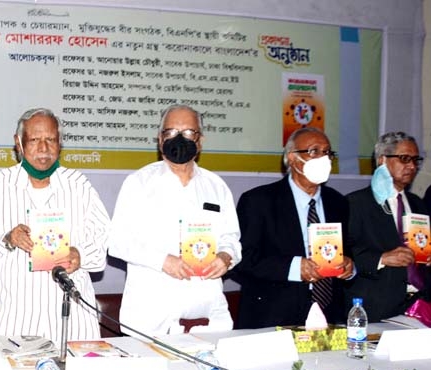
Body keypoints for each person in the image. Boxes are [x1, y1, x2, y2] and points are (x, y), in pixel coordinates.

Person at [0, 108, 110, 346]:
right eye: (34, 140)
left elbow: (103, 245)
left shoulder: (79, 186)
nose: (44, 149)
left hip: (73, 323)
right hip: (18, 322)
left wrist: (80, 254)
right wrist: (8, 239)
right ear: (18, 143)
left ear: (60, 143)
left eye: (51, 140)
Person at [108, 104, 240, 335]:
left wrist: (226, 256)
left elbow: (231, 238)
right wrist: (164, 261)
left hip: (208, 317)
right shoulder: (139, 183)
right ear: (160, 140)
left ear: (200, 141)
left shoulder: (216, 186)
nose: (180, 139)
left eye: (189, 133)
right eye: (171, 132)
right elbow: (117, 243)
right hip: (152, 320)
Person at [233, 127, 354, 328]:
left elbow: (348, 250)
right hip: (273, 318)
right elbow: (242, 260)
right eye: (314, 151)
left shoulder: (338, 202)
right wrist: (293, 267)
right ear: (292, 158)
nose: (323, 159)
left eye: (327, 153)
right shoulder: (258, 201)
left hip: (329, 317)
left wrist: (351, 266)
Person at [346, 132, 429, 322]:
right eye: (405, 158)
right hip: (374, 307)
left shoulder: (418, 204)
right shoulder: (356, 203)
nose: (412, 166)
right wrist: (381, 258)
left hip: (418, 305)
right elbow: (344, 254)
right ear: (382, 160)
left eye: (416, 160)